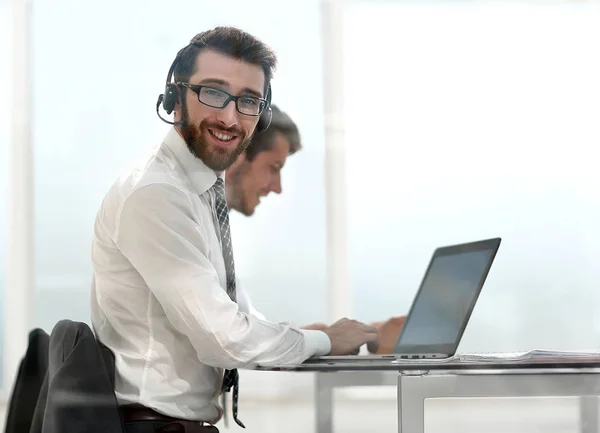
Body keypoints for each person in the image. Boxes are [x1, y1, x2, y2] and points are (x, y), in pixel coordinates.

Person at [90, 26, 378, 433]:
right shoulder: (157, 195)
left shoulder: (201, 188)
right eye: (212, 92)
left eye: (248, 101)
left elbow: (236, 315)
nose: (229, 116)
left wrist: (321, 335)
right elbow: (223, 337)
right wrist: (326, 342)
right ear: (176, 97)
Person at [225, 105, 407, 351]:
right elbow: (229, 338)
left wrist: (326, 337)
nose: (277, 187)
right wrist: (326, 340)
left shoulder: (216, 226)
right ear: (238, 154)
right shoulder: (188, 220)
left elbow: (247, 328)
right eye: (274, 168)